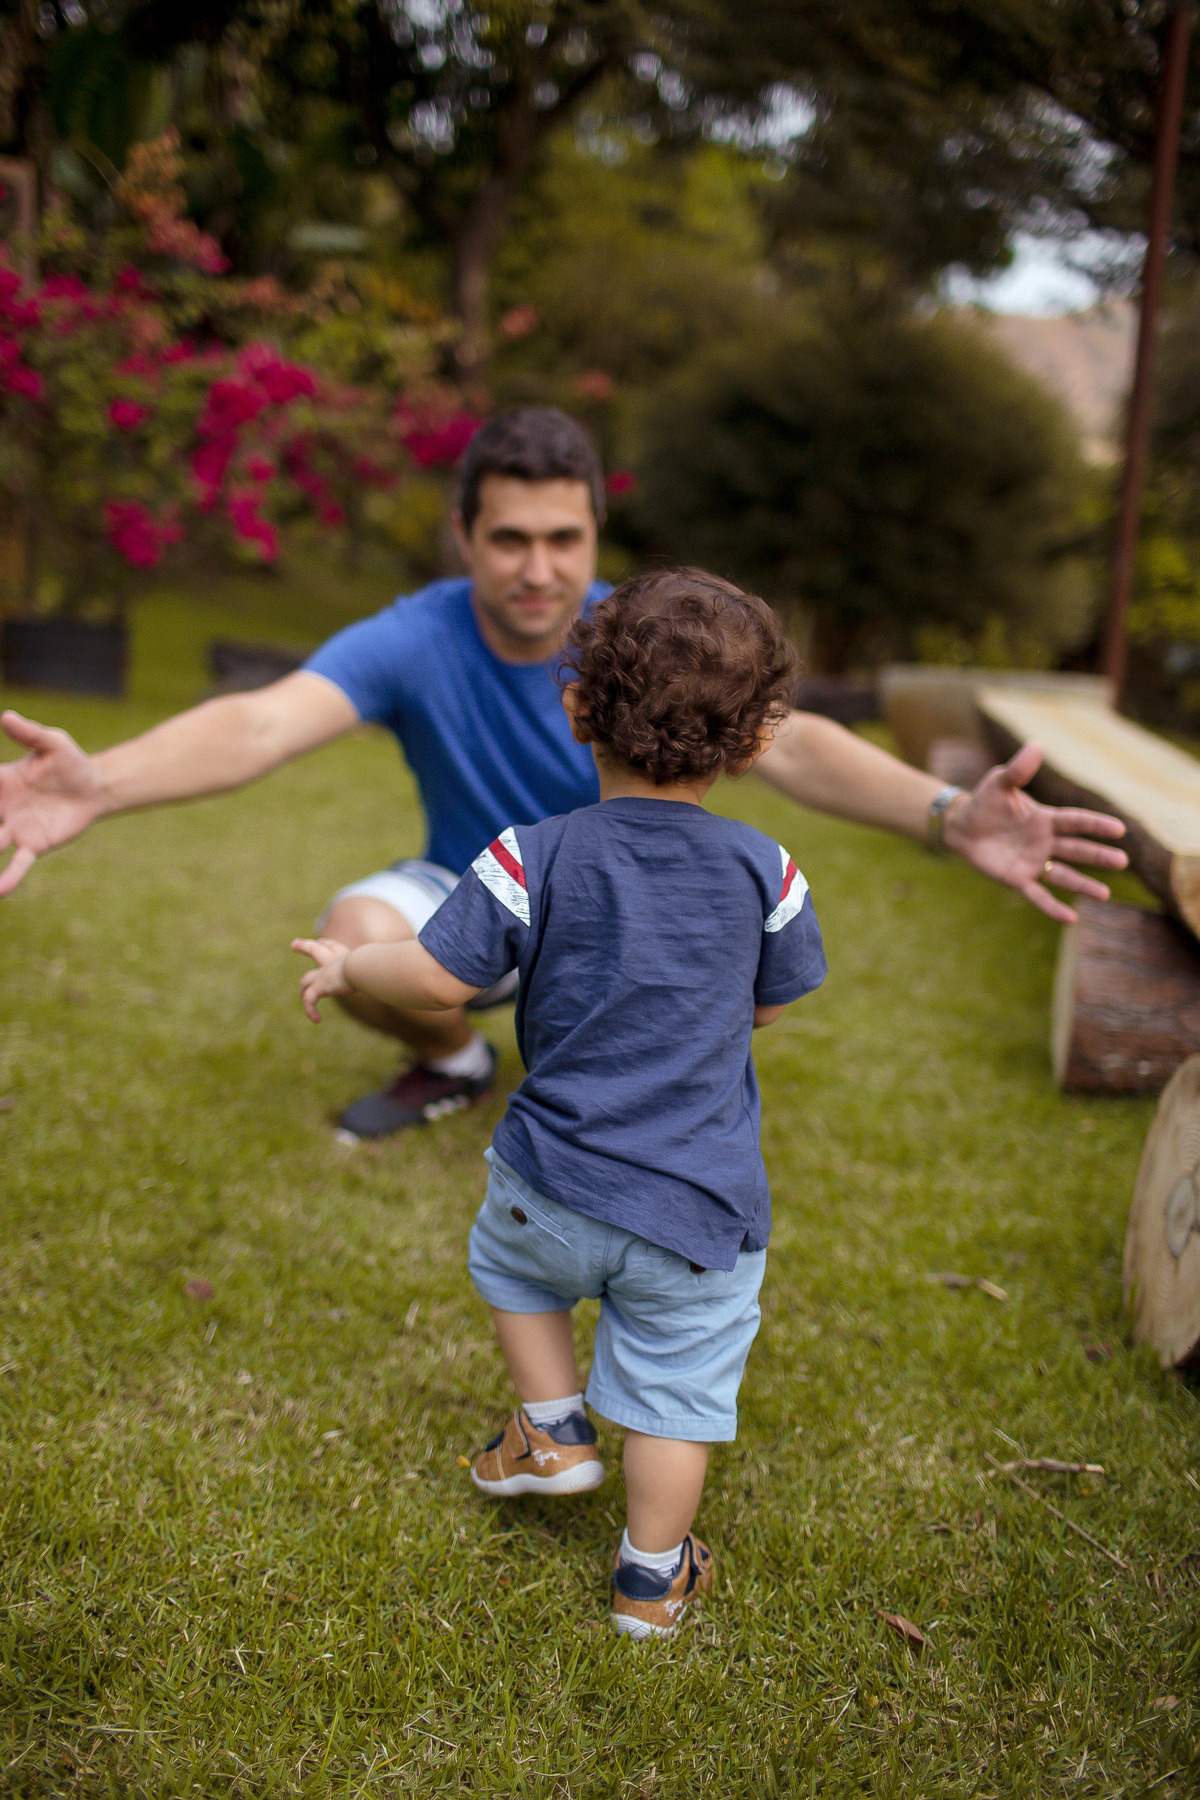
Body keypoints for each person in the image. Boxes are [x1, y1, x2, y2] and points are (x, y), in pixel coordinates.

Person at [0, 408, 1127, 1139]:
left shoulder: (644, 636)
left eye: (563, 540)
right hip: (474, 894)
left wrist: (946, 813)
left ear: (595, 532)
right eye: (508, 540)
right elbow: (259, 725)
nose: (538, 570)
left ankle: (610, 1104)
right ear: (464, 535)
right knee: (354, 924)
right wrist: (99, 783)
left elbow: (797, 743)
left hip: (622, 924)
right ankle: (455, 1062)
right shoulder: (413, 636)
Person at [294, 569, 827, 1638]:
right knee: (676, 1396)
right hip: (697, 1208)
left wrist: (354, 967)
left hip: (551, 1182)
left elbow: (439, 981)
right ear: (755, 740)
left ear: (577, 705)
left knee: (507, 1264)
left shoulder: (526, 856)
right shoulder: (769, 873)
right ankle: (650, 1578)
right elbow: (770, 1009)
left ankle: (550, 1427)